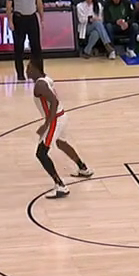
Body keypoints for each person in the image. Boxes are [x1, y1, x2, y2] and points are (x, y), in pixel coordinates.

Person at [29, 62, 93, 198]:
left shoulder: (40, 85)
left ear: (35, 69)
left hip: (55, 119)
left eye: (29, 68)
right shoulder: (46, 79)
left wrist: (46, 124)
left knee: (41, 153)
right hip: (61, 115)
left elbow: (54, 102)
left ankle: (60, 186)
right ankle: (83, 168)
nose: (26, 70)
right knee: (61, 143)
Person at [7, 0, 44, 81]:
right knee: (19, 47)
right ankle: (20, 74)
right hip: (19, 19)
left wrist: (42, 18)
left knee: (36, 47)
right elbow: (9, 6)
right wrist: (10, 21)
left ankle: (39, 72)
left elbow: (39, 4)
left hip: (32, 18)